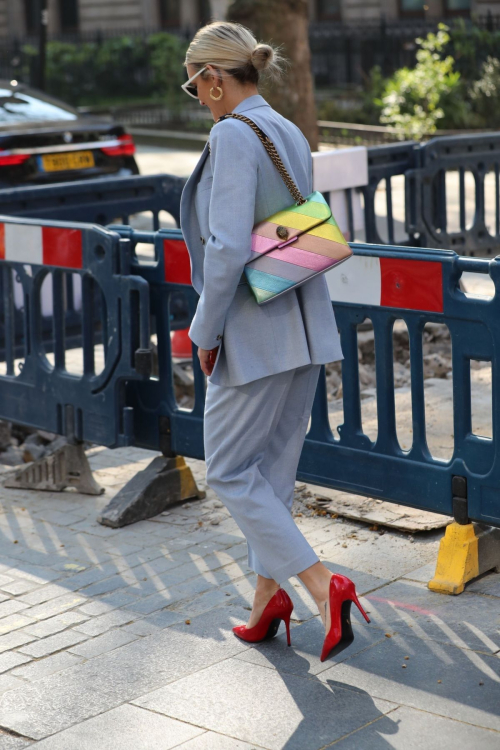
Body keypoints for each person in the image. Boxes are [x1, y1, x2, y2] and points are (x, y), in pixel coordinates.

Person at [179, 20, 369, 662]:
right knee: (271, 475)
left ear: (212, 78)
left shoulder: (233, 133)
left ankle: (322, 586)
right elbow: (289, 227)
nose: (196, 95)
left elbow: (229, 244)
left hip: (254, 334)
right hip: (304, 325)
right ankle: (267, 601)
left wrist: (203, 331)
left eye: (194, 83)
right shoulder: (285, 126)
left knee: (230, 473)